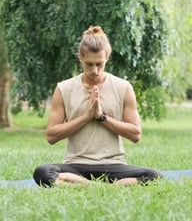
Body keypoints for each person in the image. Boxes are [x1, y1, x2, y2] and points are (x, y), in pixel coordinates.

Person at [33, 25, 161, 187]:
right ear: (80, 57)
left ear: (107, 57)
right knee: (43, 172)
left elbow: (135, 135)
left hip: (114, 165)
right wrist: (87, 116)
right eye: (89, 64)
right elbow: (51, 136)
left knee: (153, 175)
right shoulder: (64, 88)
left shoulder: (123, 87)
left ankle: (85, 186)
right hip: (75, 165)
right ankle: (99, 187)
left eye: (99, 64)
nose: (95, 70)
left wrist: (101, 118)